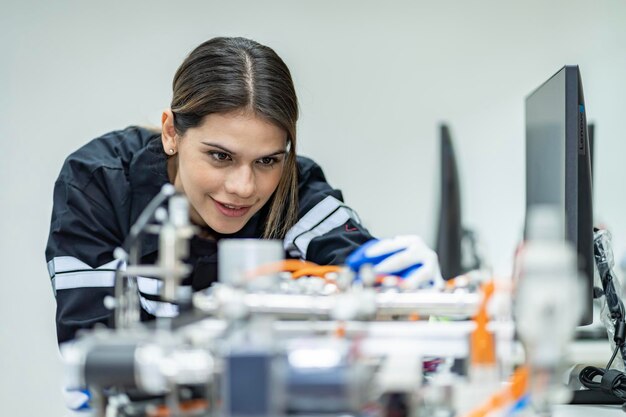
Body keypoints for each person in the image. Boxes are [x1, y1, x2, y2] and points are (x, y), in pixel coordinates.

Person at [46, 37, 440, 345]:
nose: (243, 188)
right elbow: (91, 343)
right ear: (171, 133)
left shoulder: (297, 189)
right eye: (220, 156)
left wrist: (395, 283)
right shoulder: (98, 182)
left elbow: (353, 260)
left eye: (267, 160)